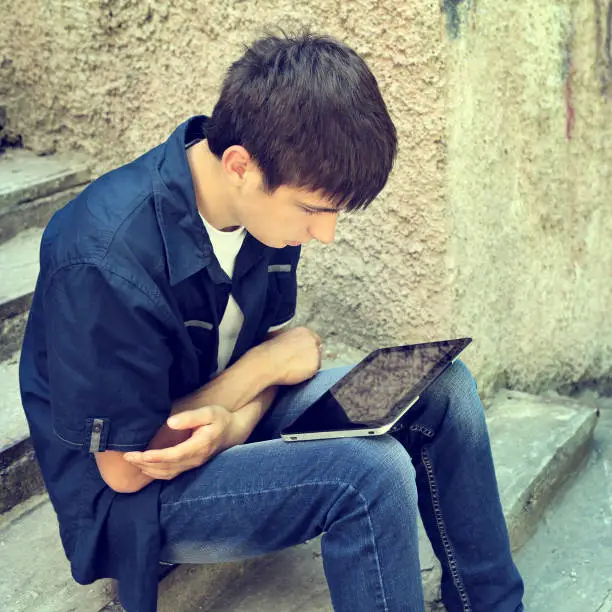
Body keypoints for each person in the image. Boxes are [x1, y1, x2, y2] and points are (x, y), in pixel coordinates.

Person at [19, 29, 524, 612]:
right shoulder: (102, 256)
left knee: (446, 390)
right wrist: (263, 367)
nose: (325, 234)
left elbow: (271, 370)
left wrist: (240, 415)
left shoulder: (262, 213)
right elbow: (126, 469)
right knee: (369, 475)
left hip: (223, 430)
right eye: (314, 210)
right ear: (240, 165)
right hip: (137, 501)